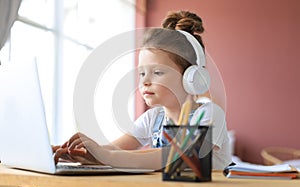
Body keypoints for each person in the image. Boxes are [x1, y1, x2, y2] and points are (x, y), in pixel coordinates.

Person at [53, 10, 232, 170]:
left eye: (157, 72)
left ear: (191, 77)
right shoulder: (153, 118)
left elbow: (175, 157)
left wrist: (107, 157)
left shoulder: (209, 114)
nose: (145, 81)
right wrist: (79, 153)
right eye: (141, 73)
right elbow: (114, 149)